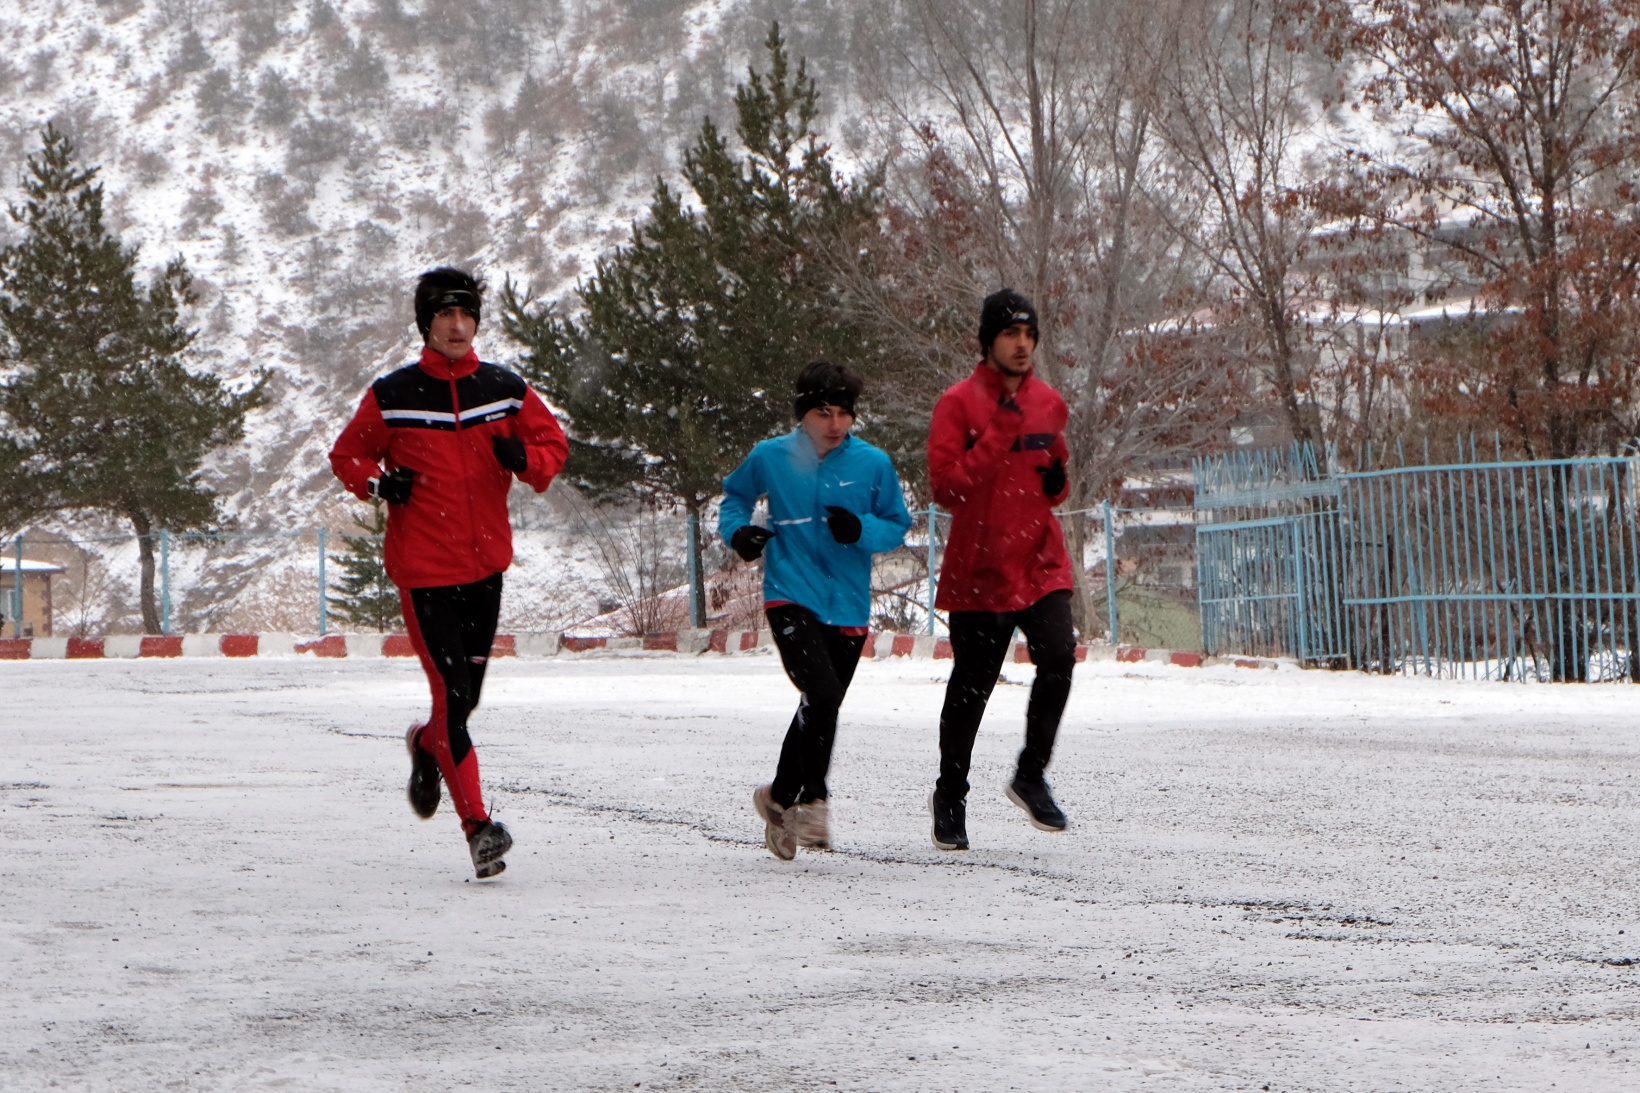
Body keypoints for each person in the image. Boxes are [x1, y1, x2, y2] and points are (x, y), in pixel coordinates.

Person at [330, 267, 568, 878]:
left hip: (485, 566)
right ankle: (478, 828)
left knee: (467, 700)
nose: (458, 326)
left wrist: (525, 458)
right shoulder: (394, 393)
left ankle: (427, 743)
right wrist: (379, 484)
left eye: (467, 314)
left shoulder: (503, 388)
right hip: (425, 569)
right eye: (445, 315)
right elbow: (347, 454)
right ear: (426, 324)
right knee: (453, 696)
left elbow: (553, 446)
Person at [720, 360, 912, 860]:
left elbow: (897, 523)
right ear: (803, 413)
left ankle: (779, 797)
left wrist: (862, 530)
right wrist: (738, 533)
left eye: (844, 413)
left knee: (820, 703)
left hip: (848, 604)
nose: (835, 424)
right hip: (790, 593)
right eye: (823, 413)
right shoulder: (772, 456)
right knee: (823, 693)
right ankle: (813, 799)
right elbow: (734, 497)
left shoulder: (872, 464)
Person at [926, 288, 1077, 851]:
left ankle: (1031, 774)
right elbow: (947, 488)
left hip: (1039, 560)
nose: (1022, 344)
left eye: (1029, 334)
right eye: (1011, 333)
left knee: (1059, 655)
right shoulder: (957, 404)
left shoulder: (1049, 402)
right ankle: (950, 793)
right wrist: (997, 435)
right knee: (972, 687)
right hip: (981, 567)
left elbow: (1053, 470)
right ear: (987, 341)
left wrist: (1058, 483)